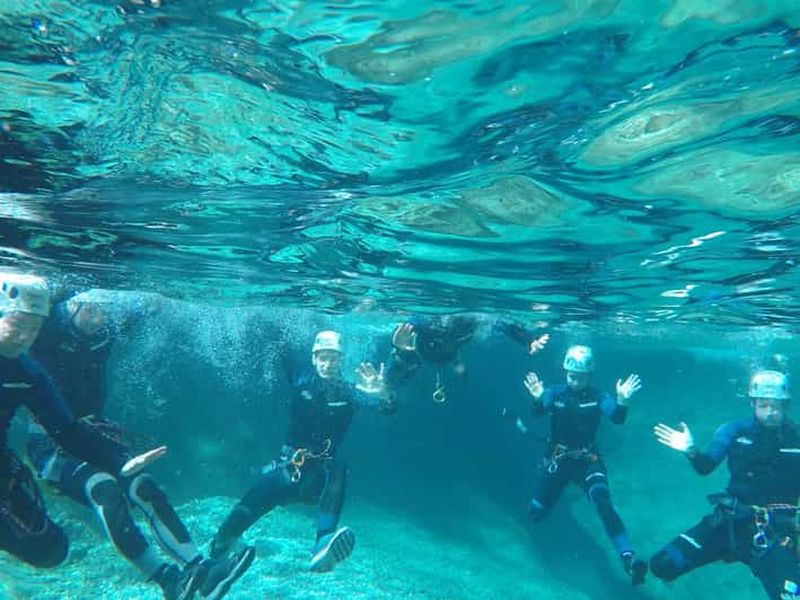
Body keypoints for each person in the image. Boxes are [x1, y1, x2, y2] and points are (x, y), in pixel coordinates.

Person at [17, 284, 254, 600]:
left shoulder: (105, 329)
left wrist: (157, 295)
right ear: (72, 307)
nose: (99, 319)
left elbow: (140, 310)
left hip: (91, 434)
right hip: (49, 445)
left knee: (145, 486)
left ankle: (202, 570)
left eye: (104, 311)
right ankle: (168, 580)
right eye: (92, 310)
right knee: (106, 490)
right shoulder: (46, 327)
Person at [209, 330, 394, 573]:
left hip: (318, 481)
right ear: (314, 359)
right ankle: (215, 560)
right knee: (229, 530)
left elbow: (387, 408)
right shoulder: (302, 379)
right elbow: (282, 348)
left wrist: (384, 394)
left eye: (334, 358)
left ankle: (323, 542)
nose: (328, 364)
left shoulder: (349, 392)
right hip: (287, 471)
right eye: (323, 357)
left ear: (341, 361)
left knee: (339, 465)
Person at [652, 370, 800, 598]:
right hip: (730, 522)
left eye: (776, 406)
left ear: (787, 405)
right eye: (763, 404)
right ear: (752, 403)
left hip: (777, 533)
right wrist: (691, 451)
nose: (770, 412)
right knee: (663, 564)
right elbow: (705, 467)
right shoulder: (733, 430)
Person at [522, 344, 646, 585]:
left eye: (580, 376)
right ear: (564, 371)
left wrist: (622, 401)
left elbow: (617, 418)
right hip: (558, 460)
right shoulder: (555, 392)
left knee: (603, 503)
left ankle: (629, 559)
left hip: (588, 460)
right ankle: (539, 547)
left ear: (589, 375)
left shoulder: (598, 397)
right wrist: (538, 397)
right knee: (535, 513)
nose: (575, 380)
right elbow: (538, 411)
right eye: (571, 375)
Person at [388, 314, 549, 402]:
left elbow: (502, 323)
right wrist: (398, 344)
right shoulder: (432, 323)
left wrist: (527, 340)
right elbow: (413, 321)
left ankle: (459, 369)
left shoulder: (474, 321)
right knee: (403, 366)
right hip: (420, 352)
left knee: (460, 371)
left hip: (450, 355)